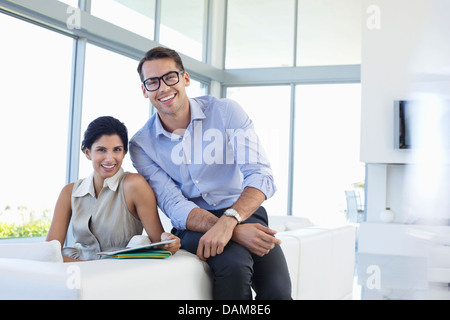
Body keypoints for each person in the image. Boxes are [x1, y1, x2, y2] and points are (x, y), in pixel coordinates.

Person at [129, 46, 292, 300]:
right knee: (234, 263)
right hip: (192, 226)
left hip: (243, 212)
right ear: (144, 90)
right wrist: (234, 231)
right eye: (152, 82)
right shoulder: (141, 145)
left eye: (170, 77)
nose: (162, 88)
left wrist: (231, 222)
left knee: (278, 292)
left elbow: (260, 174)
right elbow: (173, 204)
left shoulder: (226, 112)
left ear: (185, 78)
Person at [46, 116, 180, 262]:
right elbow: (49, 252)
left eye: (117, 150)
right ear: (88, 153)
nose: (110, 159)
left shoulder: (134, 185)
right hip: (77, 273)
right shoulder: (69, 192)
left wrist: (168, 242)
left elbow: (158, 243)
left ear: (124, 153)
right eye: (101, 150)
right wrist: (88, 271)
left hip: (118, 274)